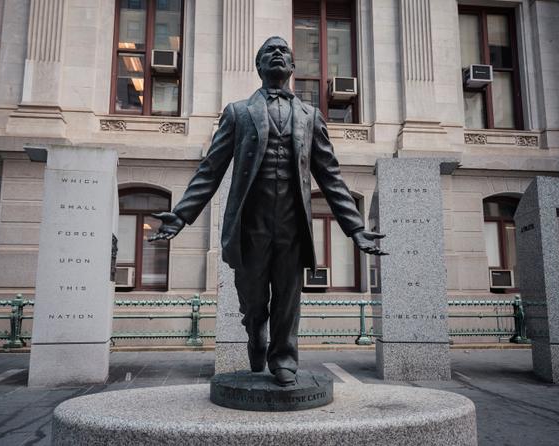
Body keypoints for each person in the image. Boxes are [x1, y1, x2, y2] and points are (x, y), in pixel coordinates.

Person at [150, 36, 386, 386]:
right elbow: (210, 170)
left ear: (292, 67)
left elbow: (331, 177)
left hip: (292, 223)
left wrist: (355, 228)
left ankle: (284, 359)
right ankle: (254, 330)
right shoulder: (238, 113)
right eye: (268, 51)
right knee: (254, 297)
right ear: (259, 67)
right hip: (250, 224)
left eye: (284, 51)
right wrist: (182, 214)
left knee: (288, 296)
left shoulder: (310, 116)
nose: (277, 53)